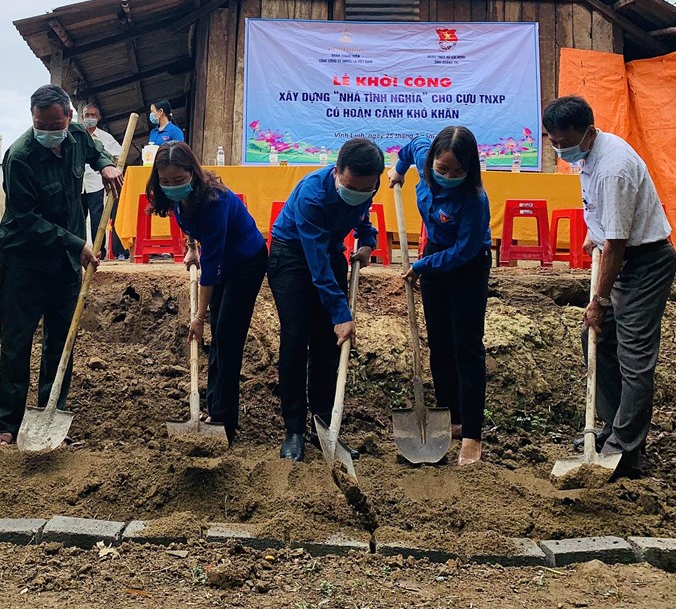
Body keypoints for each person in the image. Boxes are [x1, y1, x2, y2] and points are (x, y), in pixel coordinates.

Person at [542, 95, 675, 480]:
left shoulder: (613, 168)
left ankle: (626, 450)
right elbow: (606, 220)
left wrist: (599, 300)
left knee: (633, 357)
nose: (559, 148)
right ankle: (615, 428)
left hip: (644, 263)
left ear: (588, 131)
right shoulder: (590, 154)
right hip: (623, 256)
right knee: (596, 339)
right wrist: (594, 231)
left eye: (564, 141)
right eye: (553, 140)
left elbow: (617, 244)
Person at [0, 85, 122, 446]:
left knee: (61, 340)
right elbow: (26, 219)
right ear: (32, 118)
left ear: (68, 116)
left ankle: (51, 413)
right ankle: (8, 424)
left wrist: (106, 165)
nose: (47, 131)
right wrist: (77, 244)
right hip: (25, 259)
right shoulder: (19, 157)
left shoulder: (77, 135)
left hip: (65, 261)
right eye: (40, 125)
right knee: (17, 341)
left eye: (54, 125)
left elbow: (95, 151)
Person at [268, 138, 382, 461]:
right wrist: (341, 314)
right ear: (337, 172)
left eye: (366, 189)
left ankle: (323, 428)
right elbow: (317, 267)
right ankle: (294, 430)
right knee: (296, 338)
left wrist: (367, 241)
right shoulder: (312, 195)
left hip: (329, 252)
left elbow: (361, 216)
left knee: (327, 346)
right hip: (291, 257)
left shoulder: (366, 187)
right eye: (351, 187)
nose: (358, 193)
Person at [146, 142, 266, 443]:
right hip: (220, 258)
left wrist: (198, 317)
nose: (172, 186)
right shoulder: (175, 197)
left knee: (227, 336)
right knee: (218, 334)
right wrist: (191, 248)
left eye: (178, 180)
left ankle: (224, 420)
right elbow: (189, 225)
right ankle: (214, 408)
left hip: (246, 262)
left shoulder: (214, 202)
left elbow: (212, 269)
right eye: (165, 181)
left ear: (193, 174)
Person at [389, 127, 492, 465]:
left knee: (466, 346)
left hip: (468, 264)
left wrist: (422, 266)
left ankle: (472, 434)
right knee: (439, 342)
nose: (448, 176)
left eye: (458, 171)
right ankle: (452, 417)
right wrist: (398, 170)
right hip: (435, 254)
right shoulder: (425, 156)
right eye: (442, 169)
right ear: (432, 160)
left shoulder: (474, 201)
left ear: (470, 169)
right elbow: (410, 146)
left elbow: (464, 251)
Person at [80, 103, 129, 260]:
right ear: (82, 117)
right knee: (78, 218)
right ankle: (79, 251)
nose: (89, 118)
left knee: (97, 218)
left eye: (92, 115)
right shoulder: (78, 135)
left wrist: (110, 169)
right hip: (79, 183)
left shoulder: (105, 138)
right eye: (87, 115)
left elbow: (120, 154)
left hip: (96, 183)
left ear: (98, 117)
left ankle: (98, 252)